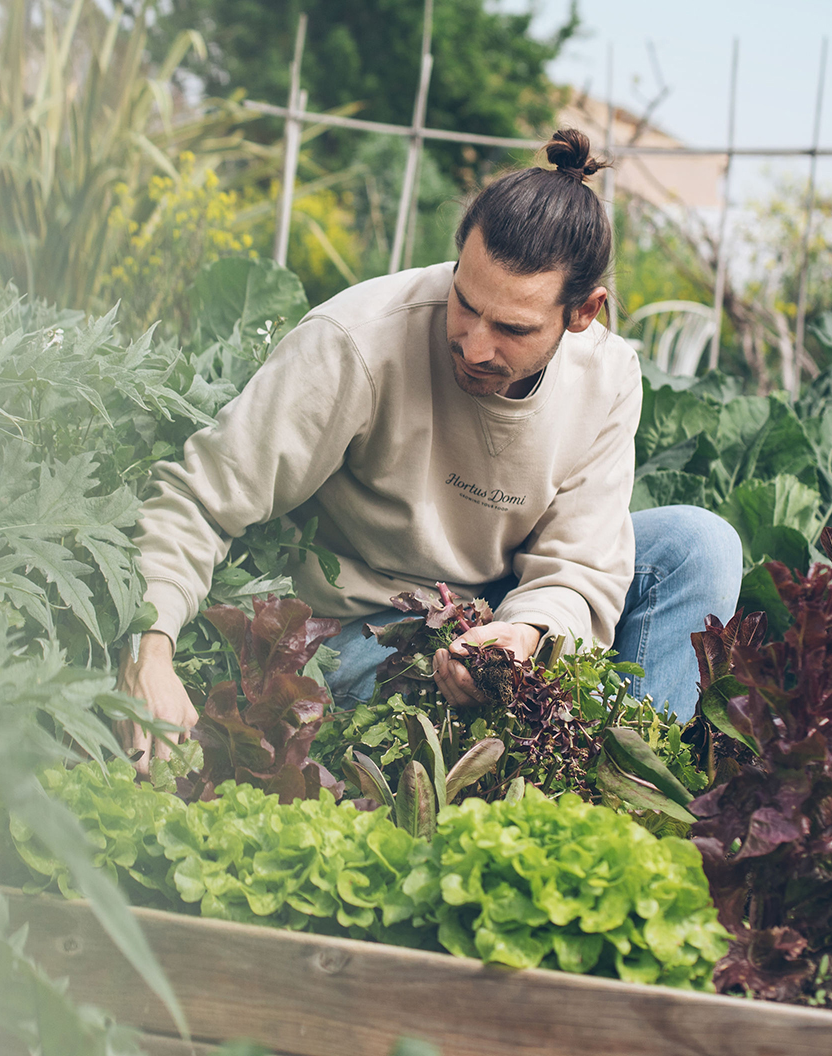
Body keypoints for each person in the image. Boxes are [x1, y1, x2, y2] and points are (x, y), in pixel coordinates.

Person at [117, 127, 740, 765]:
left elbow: (577, 569)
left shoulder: (606, 377)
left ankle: (627, 786)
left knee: (700, 546)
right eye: (464, 304)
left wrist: (524, 636)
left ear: (583, 313)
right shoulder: (357, 342)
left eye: (511, 328)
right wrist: (151, 649)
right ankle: (522, 759)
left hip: (499, 610)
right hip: (363, 628)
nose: (473, 345)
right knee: (417, 696)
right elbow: (201, 498)